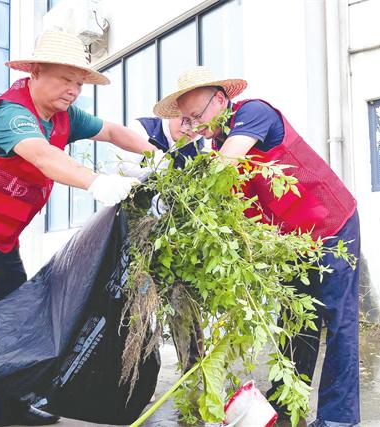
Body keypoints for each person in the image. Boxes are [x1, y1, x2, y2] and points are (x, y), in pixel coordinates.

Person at [0, 30, 161, 426]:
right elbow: (42, 155)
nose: (73, 90)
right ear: (35, 72)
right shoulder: (9, 114)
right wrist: (97, 182)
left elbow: (113, 132)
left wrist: (160, 157)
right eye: (65, 79)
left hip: (1, 239)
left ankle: (17, 406)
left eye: (79, 83)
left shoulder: (64, 116)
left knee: (17, 325)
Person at [153, 66, 361, 427]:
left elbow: (224, 166)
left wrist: (182, 185)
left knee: (339, 321)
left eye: (197, 115)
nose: (195, 126)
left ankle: (339, 419)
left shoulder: (253, 114)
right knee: (295, 322)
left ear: (220, 100)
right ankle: (286, 405)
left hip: (332, 226)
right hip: (291, 242)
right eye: (188, 120)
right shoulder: (217, 143)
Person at [116, 116, 203, 179]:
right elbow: (125, 172)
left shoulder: (198, 146)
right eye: (186, 119)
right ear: (172, 113)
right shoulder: (144, 128)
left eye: (198, 124)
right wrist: (157, 170)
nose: (189, 128)